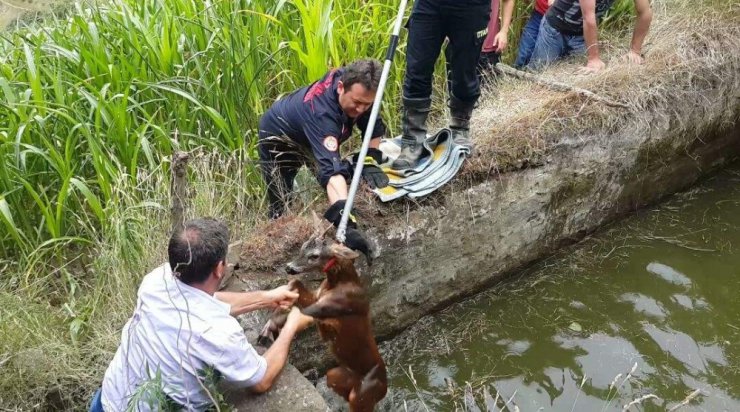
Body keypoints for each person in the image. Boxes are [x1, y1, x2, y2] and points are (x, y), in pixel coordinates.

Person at [91, 218, 314, 411]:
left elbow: (205, 302)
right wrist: (291, 325)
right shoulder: (219, 333)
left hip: (108, 399)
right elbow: (260, 380)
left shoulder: (156, 280)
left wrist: (265, 298)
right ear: (219, 268)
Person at [258, 59, 387, 255]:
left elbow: (373, 126)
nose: (361, 109)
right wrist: (347, 224)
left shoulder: (358, 83)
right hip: (278, 138)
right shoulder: (322, 115)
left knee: (352, 180)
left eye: (367, 104)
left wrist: (370, 159)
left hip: (309, 130)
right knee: (280, 204)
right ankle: (273, 249)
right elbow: (332, 173)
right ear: (341, 88)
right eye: (357, 102)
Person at [392, 0, 492, 168]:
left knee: (464, 72)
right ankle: (412, 140)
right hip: (429, 4)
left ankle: (460, 128)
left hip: (472, 6)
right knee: (417, 68)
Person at [527, 0, 653, 72]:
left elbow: (645, 12)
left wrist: (635, 51)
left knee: (576, 76)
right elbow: (589, 18)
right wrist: (594, 59)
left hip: (581, 35)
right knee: (539, 71)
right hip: (554, 28)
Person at [477, 0, 516, 79]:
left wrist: (504, 31)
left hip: (489, 46)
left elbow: (508, 1)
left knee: (490, 88)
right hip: (461, 47)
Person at [513, 0, 553, 68]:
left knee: (541, 61)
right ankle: (515, 74)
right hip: (538, 15)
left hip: (556, 20)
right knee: (524, 54)